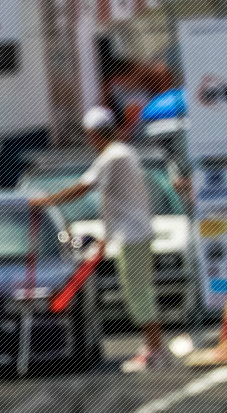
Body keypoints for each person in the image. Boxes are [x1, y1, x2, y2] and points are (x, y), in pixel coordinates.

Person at [30, 105, 165, 371]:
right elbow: (113, 201)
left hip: (131, 235)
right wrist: (106, 238)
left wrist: (45, 201)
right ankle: (154, 346)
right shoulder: (124, 152)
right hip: (133, 233)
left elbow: (84, 187)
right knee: (139, 290)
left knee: (137, 291)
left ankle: (155, 349)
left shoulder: (113, 156)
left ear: (94, 134)